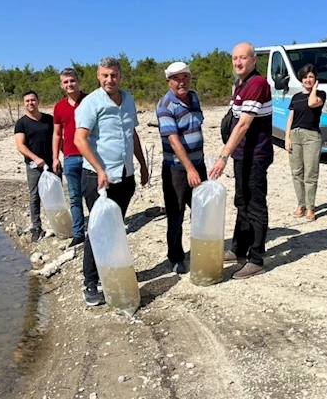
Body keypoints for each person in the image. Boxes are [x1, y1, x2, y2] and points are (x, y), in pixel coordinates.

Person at [74, 56, 150, 306]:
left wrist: (142, 164)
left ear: (120, 76)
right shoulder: (91, 103)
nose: (110, 79)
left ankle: (112, 274)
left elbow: (132, 134)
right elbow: (79, 139)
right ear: (98, 76)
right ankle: (90, 282)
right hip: (97, 179)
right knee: (98, 230)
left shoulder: (128, 99)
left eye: (114, 75)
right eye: (105, 75)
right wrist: (100, 169)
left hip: (125, 176)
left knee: (116, 230)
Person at [208, 42, 273, 279]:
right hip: (242, 154)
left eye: (243, 58)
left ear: (254, 60)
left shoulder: (257, 84)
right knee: (241, 202)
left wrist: (222, 157)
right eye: (235, 58)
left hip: (255, 155)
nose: (238, 62)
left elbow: (244, 124)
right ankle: (239, 250)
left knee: (255, 205)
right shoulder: (240, 84)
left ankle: (256, 259)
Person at [156, 61, 206, 274]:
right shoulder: (165, 105)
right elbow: (174, 141)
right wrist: (190, 169)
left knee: (202, 211)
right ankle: (176, 257)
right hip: (176, 169)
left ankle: (202, 249)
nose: (181, 82)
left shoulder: (193, 97)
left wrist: (198, 166)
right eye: (176, 79)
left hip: (199, 164)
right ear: (169, 82)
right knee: (176, 214)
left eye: (185, 77)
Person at [285, 64, 327, 221]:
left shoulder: (320, 94)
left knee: (310, 173)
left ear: (316, 79)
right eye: (305, 77)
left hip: (311, 136)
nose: (308, 80)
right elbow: (290, 118)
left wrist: (314, 88)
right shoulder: (296, 97)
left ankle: (310, 207)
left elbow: (311, 103)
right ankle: (301, 205)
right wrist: (287, 138)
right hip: (295, 135)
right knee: (297, 172)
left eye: (311, 77)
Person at [52, 68, 87, 249]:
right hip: (70, 157)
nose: (69, 84)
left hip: (89, 156)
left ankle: (97, 230)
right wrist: (55, 157)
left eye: (72, 81)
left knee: (94, 195)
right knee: (74, 197)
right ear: (61, 85)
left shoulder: (89, 101)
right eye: (65, 82)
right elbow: (57, 134)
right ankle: (79, 234)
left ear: (78, 81)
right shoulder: (59, 107)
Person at [14, 90, 55, 242]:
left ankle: (57, 223)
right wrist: (35, 158)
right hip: (33, 165)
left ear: (38, 101)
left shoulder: (49, 119)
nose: (30, 103)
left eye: (33, 100)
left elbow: (57, 138)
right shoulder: (21, 123)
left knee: (54, 193)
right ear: (24, 104)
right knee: (35, 196)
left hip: (51, 163)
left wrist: (58, 157)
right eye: (27, 101)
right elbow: (20, 145)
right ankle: (36, 227)